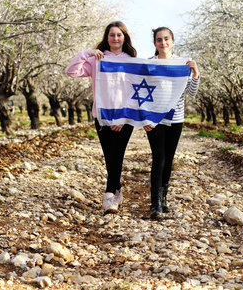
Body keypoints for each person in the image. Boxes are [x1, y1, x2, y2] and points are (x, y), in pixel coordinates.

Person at [66, 21, 137, 213]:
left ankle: (109, 196)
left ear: (124, 38)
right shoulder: (97, 60)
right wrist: (87, 53)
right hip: (102, 115)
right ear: (107, 38)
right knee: (109, 155)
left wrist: (123, 117)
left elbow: (133, 92)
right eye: (112, 35)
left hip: (124, 117)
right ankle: (117, 190)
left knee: (118, 154)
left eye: (119, 35)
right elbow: (71, 71)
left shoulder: (131, 61)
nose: (115, 38)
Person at [143, 26, 200, 219]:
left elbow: (191, 93)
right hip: (154, 119)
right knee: (158, 157)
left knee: (169, 158)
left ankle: (163, 198)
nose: (163, 42)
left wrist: (195, 73)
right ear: (155, 44)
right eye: (159, 39)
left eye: (166, 39)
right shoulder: (148, 64)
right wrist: (144, 117)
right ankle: (154, 204)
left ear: (173, 41)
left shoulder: (182, 63)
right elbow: (141, 91)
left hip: (176, 118)